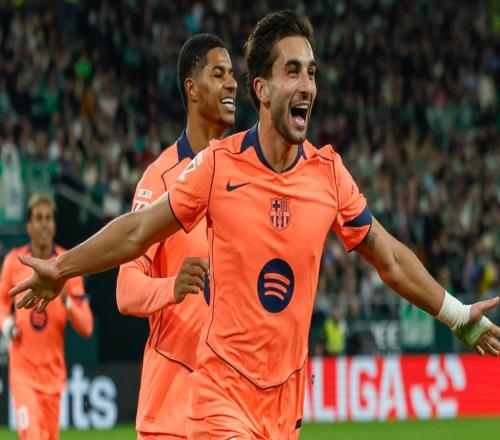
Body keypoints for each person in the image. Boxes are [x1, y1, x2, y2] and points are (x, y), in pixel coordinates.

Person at [9, 10, 500, 440]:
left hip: (284, 405)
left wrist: (457, 315)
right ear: (262, 90)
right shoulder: (217, 166)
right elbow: (138, 231)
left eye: (312, 72)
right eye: (293, 71)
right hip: (218, 395)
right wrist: (63, 268)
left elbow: (388, 257)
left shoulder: (329, 175)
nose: (307, 85)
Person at [115, 33, 237, 440]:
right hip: (171, 414)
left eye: (232, 74)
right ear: (192, 88)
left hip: (230, 409)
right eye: (218, 74)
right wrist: (173, 287)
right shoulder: (160, 179)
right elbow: (125, 289)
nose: (232, 83)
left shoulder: (245, 176)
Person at [0, 194, 93, 440]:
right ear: (29, 225)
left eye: (48, 218)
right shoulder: (14, 262)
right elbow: (1, 302)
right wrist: (7, 325)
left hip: (53, 378)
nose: (44, 224)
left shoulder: (69, 266)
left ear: (54, 224)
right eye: (39, 218)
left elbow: (86, 326)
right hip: (23, 374)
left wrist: (66, 300)